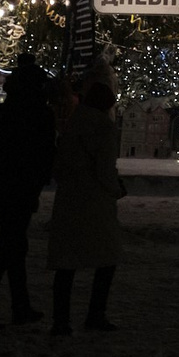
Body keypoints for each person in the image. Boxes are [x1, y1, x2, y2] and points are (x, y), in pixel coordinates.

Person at [0, 64, 56, 332]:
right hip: (24, 189)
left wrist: (2, 169)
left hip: (5, 188)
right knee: (7, 248)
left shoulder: (4, 113)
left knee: (13, 246)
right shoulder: (40, 115)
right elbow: (46, 154)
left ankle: (18, 306)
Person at [47, 73, 125, 335]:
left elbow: (59, 164)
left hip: (70, 198)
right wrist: (115, 189)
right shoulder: (104, 128)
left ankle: (61, 320)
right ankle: (95, 313)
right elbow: (104, 168)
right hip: (96, 202)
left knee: (66, 263)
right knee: (106, 258)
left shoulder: (72, 125)